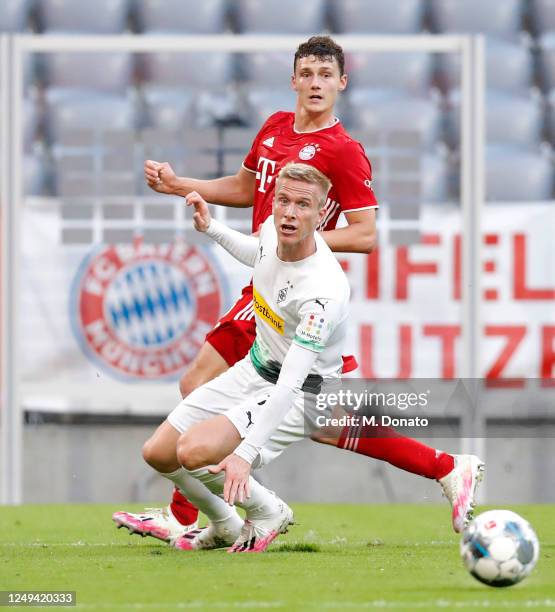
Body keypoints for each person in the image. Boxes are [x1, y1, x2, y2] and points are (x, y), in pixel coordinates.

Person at [113, 35, 483, 543]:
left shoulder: (344, 151)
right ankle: (445, 467)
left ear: (341, 85)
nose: (315, 84)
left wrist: (295, 244)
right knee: (325, 417)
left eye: (325, 76)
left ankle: (191, 515)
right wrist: (183, 186)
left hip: (293, 286)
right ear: (293, 80)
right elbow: (247, 191)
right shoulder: (273, 128)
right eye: (307, 74)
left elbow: (365, 234)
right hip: (266, 278)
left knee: (204, 383)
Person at [145, 162, 352, 552]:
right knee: (158, 453)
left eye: (303, 205)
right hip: (255, 369)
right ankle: (224, 523)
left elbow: (291, 383)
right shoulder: (274, 231)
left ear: (322, 213)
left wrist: (244, 453)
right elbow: (257, 253)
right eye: (283, 201)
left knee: (193, 451)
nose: (290, 213)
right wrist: (211, 228)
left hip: (305, 394)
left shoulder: (322, 293)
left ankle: (268, 510)